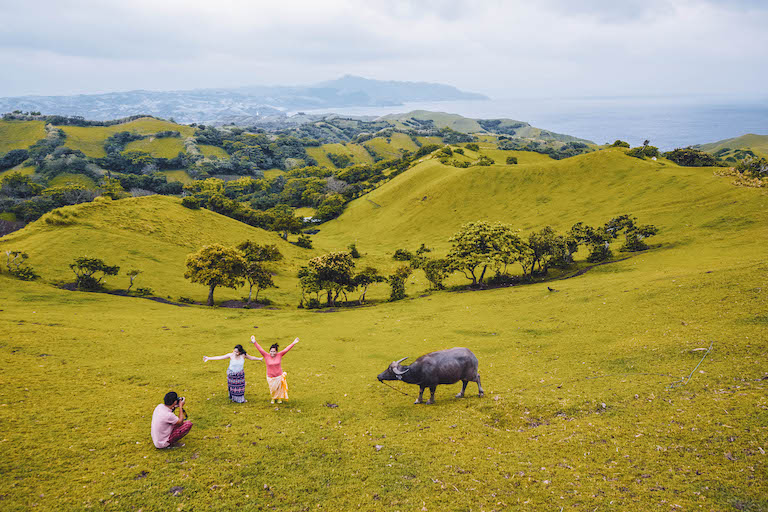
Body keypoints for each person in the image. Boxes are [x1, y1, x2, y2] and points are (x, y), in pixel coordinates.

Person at [251, 335, 299, 404]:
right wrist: (254, 342)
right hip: (270, 376)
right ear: (269, 351)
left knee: (279, 388)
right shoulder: (266, 355)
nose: (272, 353)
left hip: (279, 375)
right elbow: (260, 349)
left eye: (274, 351)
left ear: (276, 351)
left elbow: (286, 349)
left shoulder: (280, 355)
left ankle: (279, 398)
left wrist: (294, 342)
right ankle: (273, 398)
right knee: (272, 389)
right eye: (271, 351)